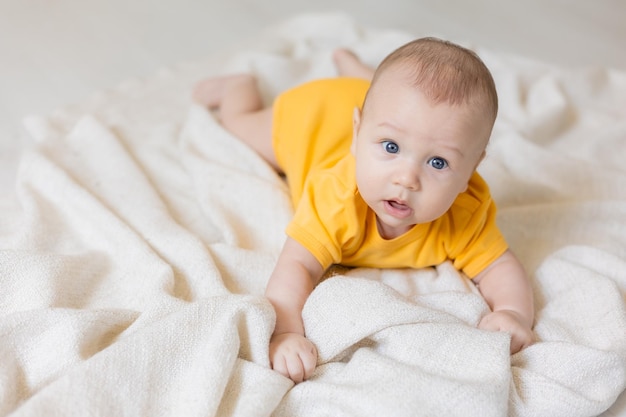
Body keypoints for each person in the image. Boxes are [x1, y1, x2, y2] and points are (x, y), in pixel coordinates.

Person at [193, 37, 535, 384]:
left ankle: (359, 76)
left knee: (398, 105)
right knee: (239, 123)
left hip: (373, 107)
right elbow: (296, 264)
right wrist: (285, 333)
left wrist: (513, 312)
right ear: (357, 136)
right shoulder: (337, 200)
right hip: (316, 120)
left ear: (471, 170)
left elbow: (499, 266)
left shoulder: (464, 213)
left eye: (437, 162)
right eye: (391, 147)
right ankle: (239, 87)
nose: (406, 179)